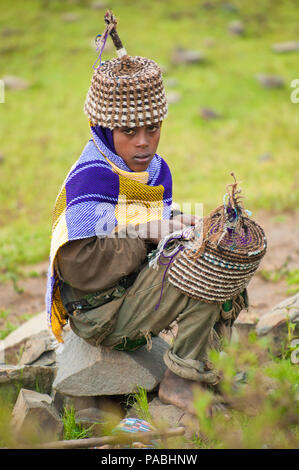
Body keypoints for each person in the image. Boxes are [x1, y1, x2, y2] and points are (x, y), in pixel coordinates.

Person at [46, 12, 252, 414]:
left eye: (153, 128)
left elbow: (150, 216)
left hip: (133, 294)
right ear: (106, 129)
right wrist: (150, 233)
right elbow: (81, 269)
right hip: (101, 314)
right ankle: (179, 380)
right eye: (130, 133)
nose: (144, 143)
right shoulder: (91, 180)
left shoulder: (154, 170)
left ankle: (206, 365)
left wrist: (187, 224)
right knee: (201, 268)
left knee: (221, 254)